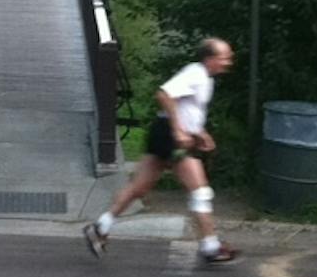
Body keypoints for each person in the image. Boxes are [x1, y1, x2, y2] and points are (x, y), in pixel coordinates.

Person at [83, 37, 241, 265]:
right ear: (210, 58)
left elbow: (188, 110)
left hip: (164, 132)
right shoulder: (195, 73)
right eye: (224, 57)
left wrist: (199, 133)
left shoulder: (205, 78)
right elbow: (164, 94)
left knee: (139, 187)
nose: (228, 61)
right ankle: (210, 246)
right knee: (200, 193)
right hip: (171, 137)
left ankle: (100, 227)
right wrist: (178, 130)